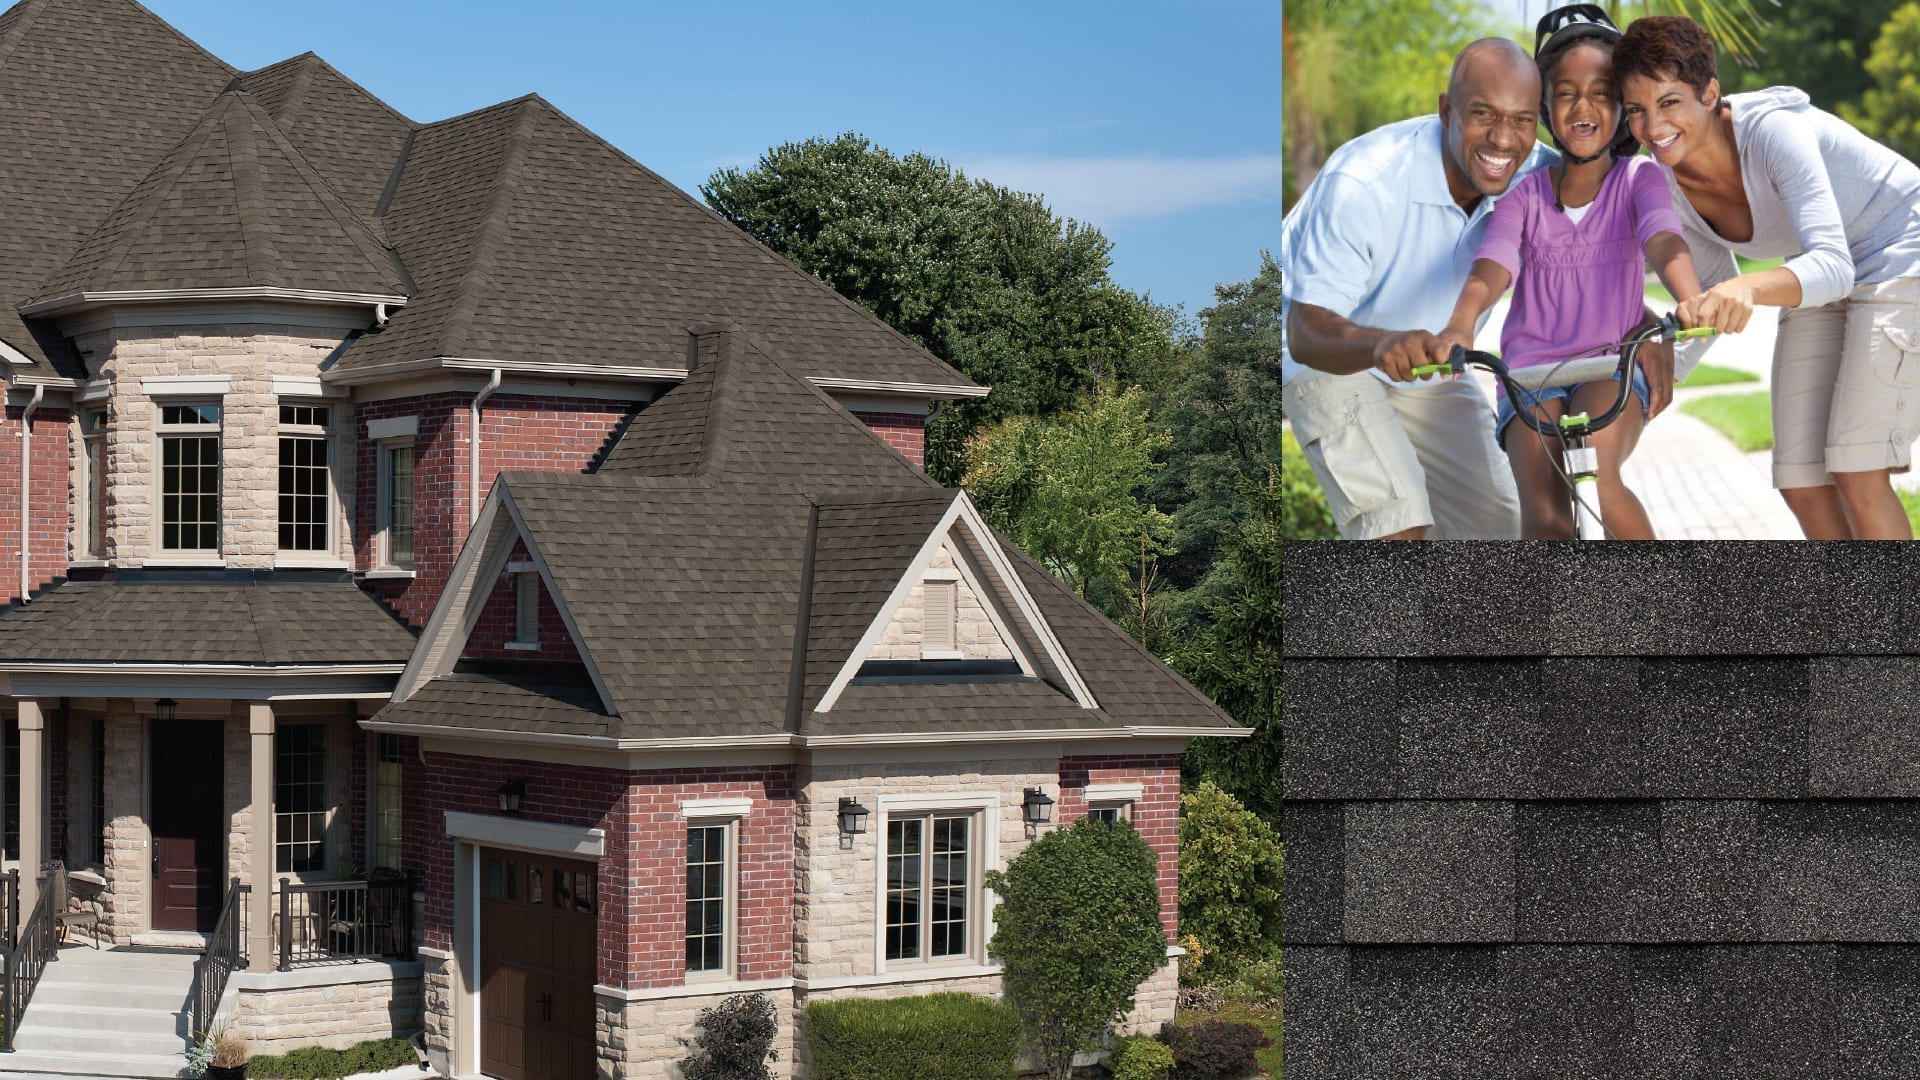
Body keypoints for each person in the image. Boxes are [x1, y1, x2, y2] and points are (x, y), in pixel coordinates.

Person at [1615, 15, 1920, 540]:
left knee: (1856, 469)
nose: (1652, 126)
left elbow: (1831, 264)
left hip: (1899, 246)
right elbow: (1708, 293)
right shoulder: (1666, 183)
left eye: (1669, 102)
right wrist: (1655, 374)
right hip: (1822, 268)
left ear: (1709, 93)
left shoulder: (1772, 130)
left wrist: (1748, 288)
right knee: (1800, 479)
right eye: (1636, 110)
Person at [1438, 5, 1714, 539]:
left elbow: (1662, 239)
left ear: (1621, 107)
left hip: (1609, 363)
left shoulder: (1639, 179)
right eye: (1566, 93)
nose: (1583, 107)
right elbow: (1492, 266)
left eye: (1601, 92)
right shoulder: (1524, 195)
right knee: (1543, 516)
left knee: (1596, 471)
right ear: (1546, 107)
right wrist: (1460, 325)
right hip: (1529, 371)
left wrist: (1691, 298)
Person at [1281, 38, 1559, 540]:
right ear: (1446, 110)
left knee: (1504, 527)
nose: (1503, 139)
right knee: (1399, 526)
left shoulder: (1538, 171)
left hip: (1429, 361)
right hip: (1329, 356)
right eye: (1483, 114)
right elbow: (1305, 331)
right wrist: (1382, 342)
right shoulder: (1365, 181)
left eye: (1522, 119)